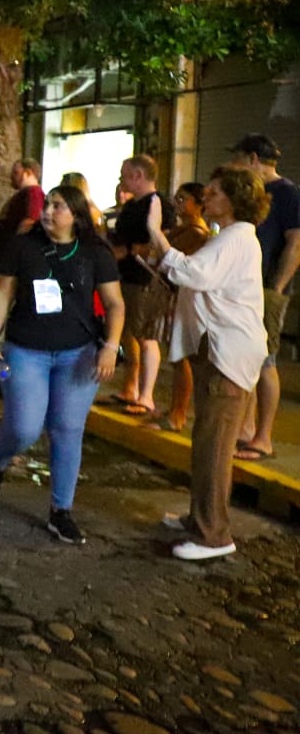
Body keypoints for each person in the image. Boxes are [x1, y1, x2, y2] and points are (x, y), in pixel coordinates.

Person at [0, 184, 125, 545]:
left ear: (75, 215)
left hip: (79, 354)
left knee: (67, 430)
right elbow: (4, 293)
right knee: (24, 428)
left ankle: (61, 511)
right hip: (26, 351)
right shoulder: (21, 246)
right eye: (47, 204)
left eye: (57, 206)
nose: (47, 211)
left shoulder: (95, 252)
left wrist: (111, 346)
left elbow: (116, 304)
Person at [145, 167, 267, 560]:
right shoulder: (229, 238)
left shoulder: (235, 239)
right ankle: (200, 519)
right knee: (205, 443)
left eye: (213, 193)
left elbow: (192, 273)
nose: (206, 198)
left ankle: (213, 534)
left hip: (228, 356)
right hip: (219, 352)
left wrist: (157, 235)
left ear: (232, 201)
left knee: (214, 447)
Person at [227, 133, 300, 462]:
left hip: (267, 289)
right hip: (244, 287)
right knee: (247, 360)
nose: (234, 165)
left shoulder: (287, 194)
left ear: (254, 159)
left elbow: (296, 244)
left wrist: (277, 288)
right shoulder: (253, 193)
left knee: (265, 361)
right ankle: (246, 429)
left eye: (239, 158)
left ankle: (263, 437)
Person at [107, 155, 175, 417]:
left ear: (138, 175)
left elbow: (165, 242)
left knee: (146, 336)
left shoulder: (159, 204)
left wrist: (133, 250)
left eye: (125, 175)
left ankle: (146, 395)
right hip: (126, 276)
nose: (122, 180)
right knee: (129, 334)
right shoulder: (132, 205)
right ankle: (130, 387)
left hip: (146, 278)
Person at [164, 183, 210, 432]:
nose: (177, 203)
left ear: (198, 203)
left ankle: (178, 412)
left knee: (182, 356)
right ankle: (175, 410)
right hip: (177, 296)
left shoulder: (196, 233)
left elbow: (170, 257)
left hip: (185, 298)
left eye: (183, 199)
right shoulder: (184, 229)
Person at [0, 159, 44, 266]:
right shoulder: (23, 194)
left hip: (12, 258)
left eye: (16, 173)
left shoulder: (33, 193)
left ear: (28, 173)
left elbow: (31, 220)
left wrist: (14, 248)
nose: (12, 177)